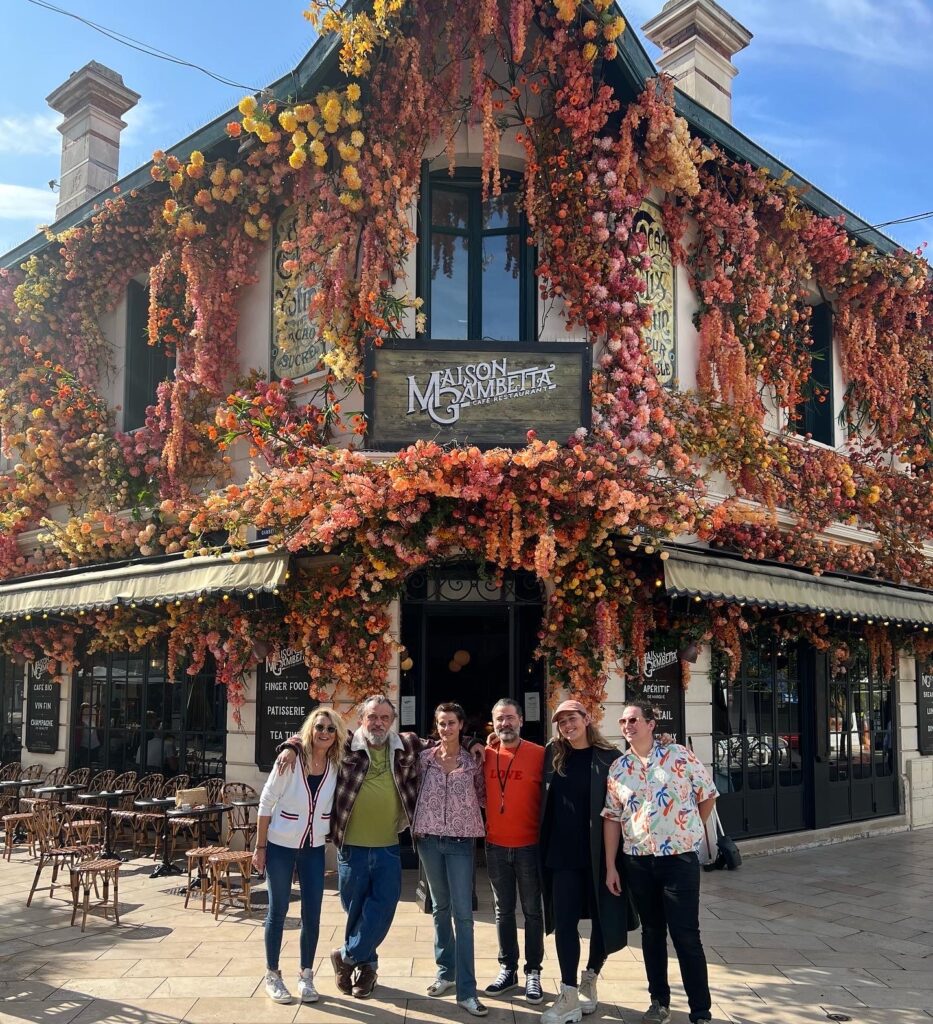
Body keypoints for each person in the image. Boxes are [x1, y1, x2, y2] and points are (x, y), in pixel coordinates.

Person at [276, 694, 483, 1000]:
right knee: (356, 910)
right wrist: (291, 747)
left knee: (383, 908)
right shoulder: (343, 744)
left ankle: (346, 955)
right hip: (352, 847)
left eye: (385, 718)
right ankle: (365, 969)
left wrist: (472, 741)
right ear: (361, 719)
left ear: (392, 721)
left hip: (388, 846)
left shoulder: (406, 744)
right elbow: (312, 738)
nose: (378, 723)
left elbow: (444, 739)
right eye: (373, 717)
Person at [603, 701, 718, 1024]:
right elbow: (612, 817)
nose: (628, 725)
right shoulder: (619, 768)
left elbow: (707, 794)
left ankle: (700, 1011)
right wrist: (611, 865)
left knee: (686, 935)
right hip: (637, 861)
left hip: (677, 860)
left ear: (651, 724)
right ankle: (659, 1002)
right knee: (652, 934)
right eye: (623, 721)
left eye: (634, 719)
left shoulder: (679, 756)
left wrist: (689, 830)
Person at [539, 699, 638, 1024]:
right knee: (564, 923)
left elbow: (626, 807)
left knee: (604, 919)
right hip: (561, 854)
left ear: (587, 719)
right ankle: (568, 993)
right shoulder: (553, 755)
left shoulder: (610, 758)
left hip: (600, 856)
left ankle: (591, 975)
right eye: (562, 722)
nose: (568, 726)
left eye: (572, 719)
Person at [254, 706, 347, 1005]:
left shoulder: (335, 764)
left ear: (337, 735)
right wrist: (260, 846)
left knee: (313, 914)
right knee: (277, 911)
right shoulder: (289, 761)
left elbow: (370, 736)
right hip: (280, 846)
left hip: (313, 848)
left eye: (331, 729)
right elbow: (266, 802)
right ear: (310, 729)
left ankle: (306, 975)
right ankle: (272, 974)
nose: (324, 733)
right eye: (320, 727)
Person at [413, 702, 488, 1017]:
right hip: (429, 841)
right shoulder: (424, 759)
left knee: (464, 915)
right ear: (436, 725)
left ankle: (467, 990)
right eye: (441, 723)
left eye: (452, 723)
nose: (446, 728)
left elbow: (484, 794)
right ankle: (446, 972)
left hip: (460, 843)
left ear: (461, 725)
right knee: (439, 909)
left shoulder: (474, 761)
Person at [482, 698, 546, 1004]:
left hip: (529, 847)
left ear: (521, 720)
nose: (504, 724)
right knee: (502, 911)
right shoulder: (484, 753)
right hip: (495, 845)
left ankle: (533, 971)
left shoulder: (539, 754)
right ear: (492, 724)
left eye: (509, 718)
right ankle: (508, 969)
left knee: (533, 912)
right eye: (499, 719)